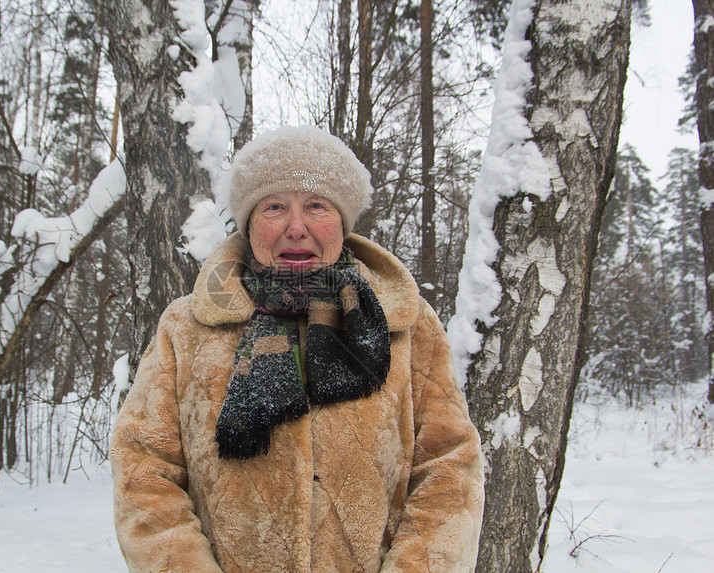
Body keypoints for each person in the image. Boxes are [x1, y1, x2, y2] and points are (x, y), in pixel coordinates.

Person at [110, 125, 484, 572]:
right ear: (249, 224)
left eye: (316, 206)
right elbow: (143, 471)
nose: (296, 227)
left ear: (342, 224)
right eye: (274, 207)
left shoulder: (404, 322)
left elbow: (449, 468)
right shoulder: (186, 328)